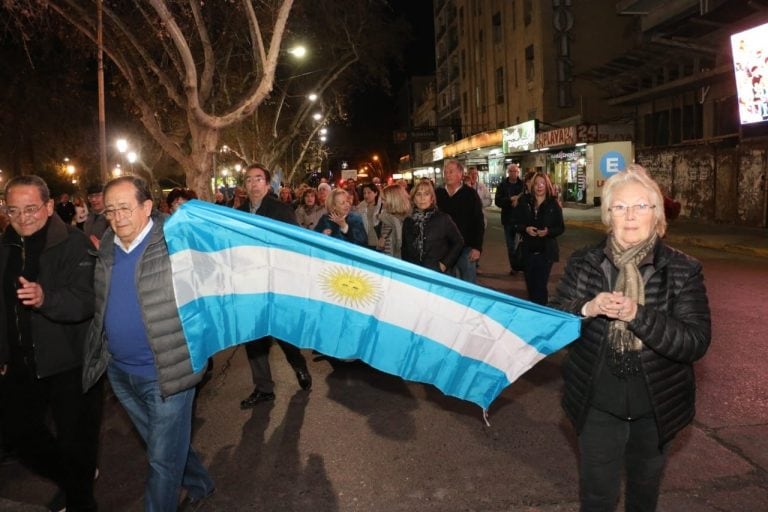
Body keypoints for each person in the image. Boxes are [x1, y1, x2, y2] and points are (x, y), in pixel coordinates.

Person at [550, 164, 712, 511]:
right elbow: (555, 318)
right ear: (608, 214)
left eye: (641, 205)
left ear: (657, 214)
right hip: (597, 403)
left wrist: (639, 315)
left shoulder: (683, 269)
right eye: (620, 206)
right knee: (596, 496)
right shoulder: (585, 263)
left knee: (644, 492)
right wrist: (588, 307)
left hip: (656, 406)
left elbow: (695, 341)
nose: (631, 215)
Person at [82, 176, 215, 511]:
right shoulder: (107, 246)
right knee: (163, 446)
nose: (117, 216)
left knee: (159, 460)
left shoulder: (176, 240)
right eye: (111, 210)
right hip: (121, 374)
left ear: (147, 206)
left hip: (167, 373)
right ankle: (200, 482)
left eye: (125, 208)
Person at [0, 175, 101, 512]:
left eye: (31, 208)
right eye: (13, 209)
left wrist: (46, 299)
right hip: (20, 363)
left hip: (69, 365)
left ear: (48, 206)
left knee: (76, 443)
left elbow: (87, 300)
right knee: (18, 435)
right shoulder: (6, 245)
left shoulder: (74, 243)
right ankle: (75, 478)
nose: (22, 217)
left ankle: (81, 497)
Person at [237, 163, 312, 408]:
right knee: (254, 337)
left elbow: (295, 245)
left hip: (277, 282)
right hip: (249, 285)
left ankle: (298, 363)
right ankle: (264, 388)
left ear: (268, 184)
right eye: (248, 180)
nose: (253, 183)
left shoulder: (280, 209)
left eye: (258, 179)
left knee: (282, 331)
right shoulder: (235, 213)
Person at [518, 171, 564, 305]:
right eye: (537, 183)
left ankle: (541, 313)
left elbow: (560, 227)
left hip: (546, 252)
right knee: (531, 287)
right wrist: (525, 229)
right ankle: (534, 312)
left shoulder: (553, 204)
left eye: (542, 183)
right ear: (532, 186)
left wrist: (548, 231)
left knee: (540, 286)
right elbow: (515, 223)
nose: (539, 186)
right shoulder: (525, 201)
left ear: (547, 185)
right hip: (528, 251)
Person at [435, 159, 485, 283]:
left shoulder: (470, 194)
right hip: (443, 249)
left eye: (451, 171)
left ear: (460, 174)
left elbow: (479, 222)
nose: (447, 175)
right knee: (447, 285)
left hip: (466, 248)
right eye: (445, 172)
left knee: (468, 283)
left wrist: (477, 247)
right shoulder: (437, 194)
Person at [402, 180, 464, 273]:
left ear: (431, 198)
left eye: (426, 194)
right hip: (415, 271)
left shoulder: (443, 219)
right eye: (418, 194)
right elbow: (405, 248)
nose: (422, 198)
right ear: (414, 199)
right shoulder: (408, 221)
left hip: (437, 272)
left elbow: (459, 242)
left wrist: (444, 264)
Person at [494, 163, 526, 275]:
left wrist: (519, 200)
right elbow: (498, 201)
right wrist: (509, 200)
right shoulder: (502, 185)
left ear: (518, 172)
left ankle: (519, 265)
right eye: (511, 171)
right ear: (508, 172)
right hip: (508, 220)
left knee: (519, 245)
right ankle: (514, 267)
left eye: (515, 171)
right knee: (511, 246)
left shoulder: (523, 185)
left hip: (520, 220)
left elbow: (527, 199)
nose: (513, 173)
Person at [377, 184, 412, 258]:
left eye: (384, 199)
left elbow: (399, 245)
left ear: (393, 200)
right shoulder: (387, 217)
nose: (382, 202)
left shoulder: (405, 220)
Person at [355, 183, 382, 250]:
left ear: (375, 193)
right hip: (365, 242)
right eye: (364, 193)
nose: (366, 195)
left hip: (380, 243)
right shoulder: (360, 207)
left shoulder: (382, 207)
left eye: (369, 193)